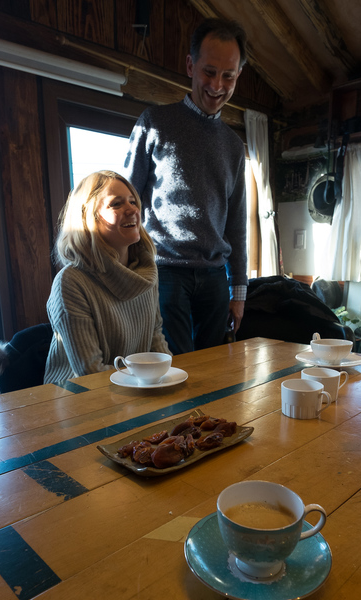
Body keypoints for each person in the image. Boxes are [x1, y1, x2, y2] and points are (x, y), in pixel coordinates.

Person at [123, 18, 248, 355]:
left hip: (214, 279)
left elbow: (236, 223)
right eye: (209, 72)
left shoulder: (235, 147)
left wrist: (239, 292)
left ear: (238, 76)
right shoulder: (154, 122)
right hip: (164, 273)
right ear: (191, 66)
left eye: (228, 76)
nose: (217, 85)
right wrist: (123, 269)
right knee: (174, 368)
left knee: (214, 371)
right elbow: (125, 201)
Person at [43, 171, 169, 384]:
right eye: (116, 204)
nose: (132, 210)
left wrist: (166, 378)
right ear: (87, 217)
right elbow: (91, 373)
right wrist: (149, 379)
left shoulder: (148, 272)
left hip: (139, 389)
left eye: (132, 201)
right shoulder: (70, 282)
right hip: (76, 400)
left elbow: (155, 339)